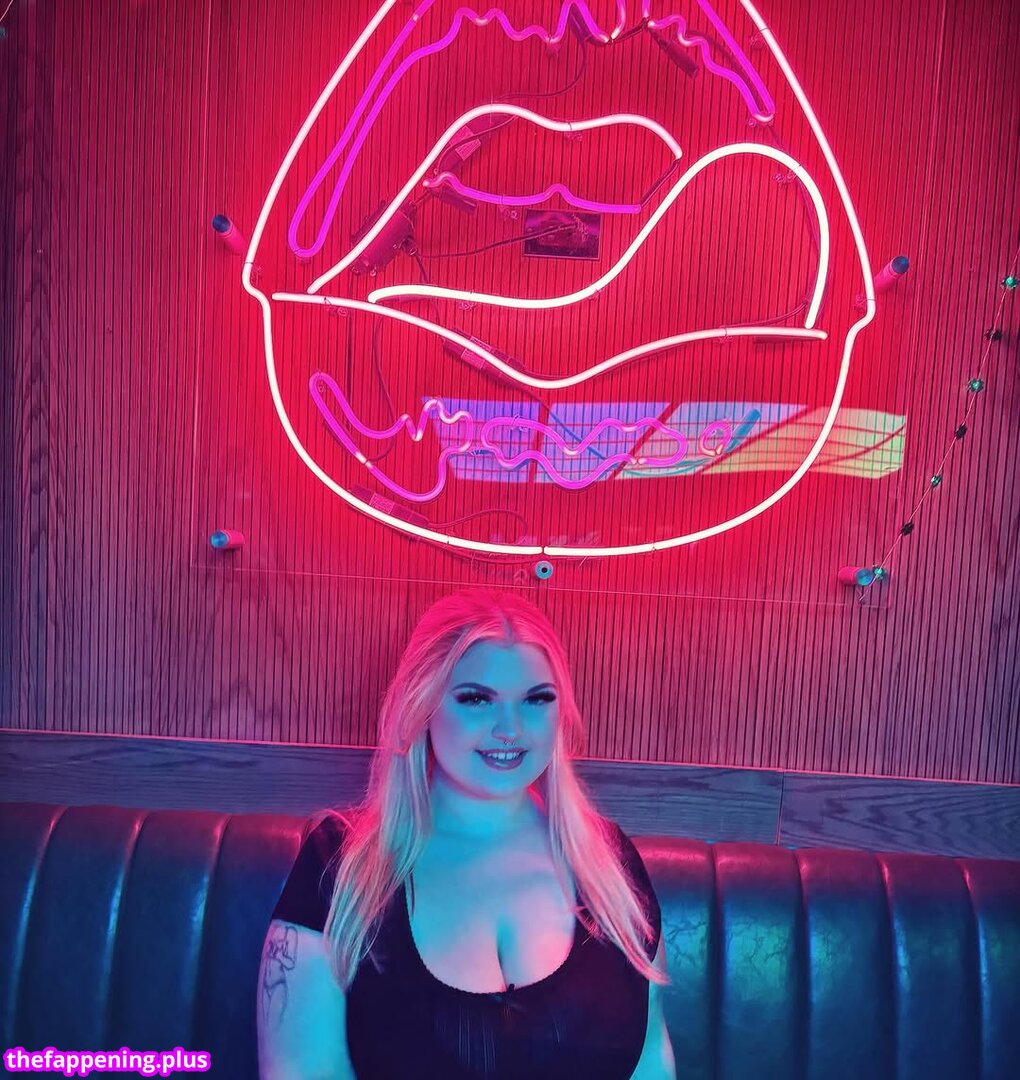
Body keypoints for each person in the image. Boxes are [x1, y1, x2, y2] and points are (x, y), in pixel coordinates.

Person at [257, 587, 676, 1079]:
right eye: (477, 699)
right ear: (422, 705)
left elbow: (652, 1063)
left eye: (537, 699)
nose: (510, 728)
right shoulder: (339, 864)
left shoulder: (610, 863)